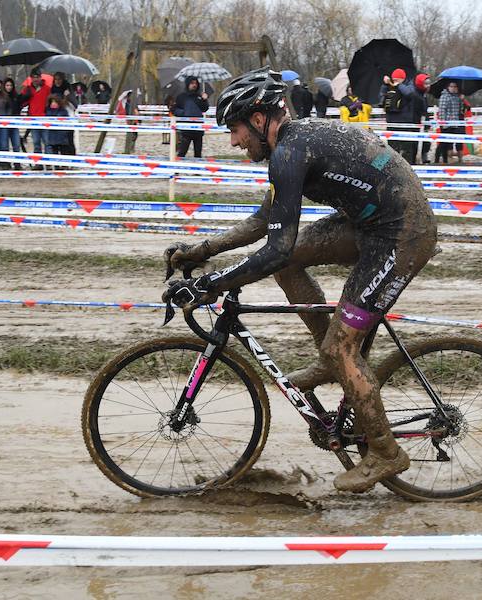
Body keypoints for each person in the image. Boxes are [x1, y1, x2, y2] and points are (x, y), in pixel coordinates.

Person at [163, 68, 437, 493]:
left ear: (258, 120)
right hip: (367, 223)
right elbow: (264, 223)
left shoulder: (291, 152)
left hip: (402, 233)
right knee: (290, 265)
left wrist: (210, 285)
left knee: (338, 341)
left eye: (235, 129)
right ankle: (333, 358)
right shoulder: (289, 148)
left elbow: (275, 248)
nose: (234, 141)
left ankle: (385, 451)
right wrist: (205, 250)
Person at [379, 68, 417, 164]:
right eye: (393, 79)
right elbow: (381, 97)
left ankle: (408, 167)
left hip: (405, 122)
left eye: (397, 79)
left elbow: (409, 93)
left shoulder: (409, 84)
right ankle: (386, 166)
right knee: (391, 148)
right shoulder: (388, 86)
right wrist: (385, 84)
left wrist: (399, 85)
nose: (394, 81)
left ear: (402, 78)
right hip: (392, 121)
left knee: (407, 147)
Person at [20, 68, 51, 167]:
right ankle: (38, 163)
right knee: (36, 142)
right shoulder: (28, 89)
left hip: (45, 119)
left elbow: (51, 102)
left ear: (40, 77)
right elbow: (22, 103)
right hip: (33, 120)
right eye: (33, 77)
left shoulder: (47, 89)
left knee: (47, 142)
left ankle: (48, 162)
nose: (35, 79)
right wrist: (26, 96)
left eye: (37, 77)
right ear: (31, 78)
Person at [173, 75, 210, 158]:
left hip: (198, 129)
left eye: (196, 83)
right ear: (187, 84)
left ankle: (197, 171)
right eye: (192, 83)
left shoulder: (200, 97)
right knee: (182, 153)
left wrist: (205, 100)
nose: (194, 85)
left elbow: (205, 109)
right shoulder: (181, 97)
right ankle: (176, 169)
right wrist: (184, 113)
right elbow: (174, 109)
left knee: (198, 154)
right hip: (186, 129)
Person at [436, 81, 465, 164]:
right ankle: (438, 158)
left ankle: (447, 160)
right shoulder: (444, 96)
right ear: (448, 87)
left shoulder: (457, 97)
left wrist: (462, 100)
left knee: (452, 142)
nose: (453, 88)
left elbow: (461, 110)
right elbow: (442, 111)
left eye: (455, 87)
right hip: (446, 124)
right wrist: (443, 124)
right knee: (443, 143)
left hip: (455, 124)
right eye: (451, 86)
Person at [412, 73, 431, 164]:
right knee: (416, 143)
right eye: (426, 83)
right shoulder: (417, 96)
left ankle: (424, 157)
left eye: (428, 83)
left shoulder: (424, 95)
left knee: (426, 142)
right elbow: (419, 110)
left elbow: (425, 110)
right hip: (417, 122)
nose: (428, 86)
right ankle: (416, 159)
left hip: (424, 122)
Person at [3, 77, 24, 154]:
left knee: (16, 144)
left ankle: (17, 162)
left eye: (11, 85)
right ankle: (7, 162)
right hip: (5, 123)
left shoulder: (15, 96)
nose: (9, 87)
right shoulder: (2, 97)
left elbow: (19, 107)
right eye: (7, 85)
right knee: (5, 145)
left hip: (14, 123)